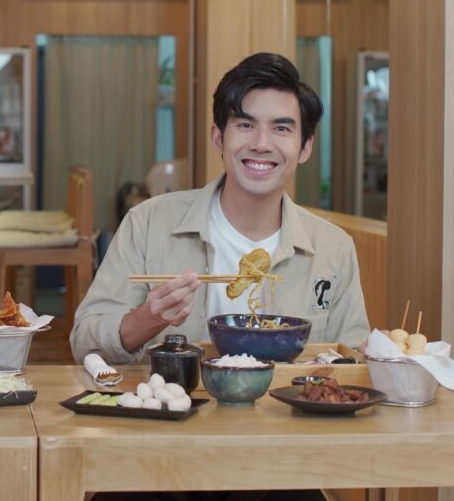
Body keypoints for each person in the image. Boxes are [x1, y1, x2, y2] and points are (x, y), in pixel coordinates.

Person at [71, 52, 370, 366]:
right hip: (172, 397)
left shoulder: (334, 249)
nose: (261, 143)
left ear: (306, 147)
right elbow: (84, 345)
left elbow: (350, 360)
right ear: (218, 138)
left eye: (281, 129)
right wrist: (148, 319)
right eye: (245, 124)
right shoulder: (147, 223)